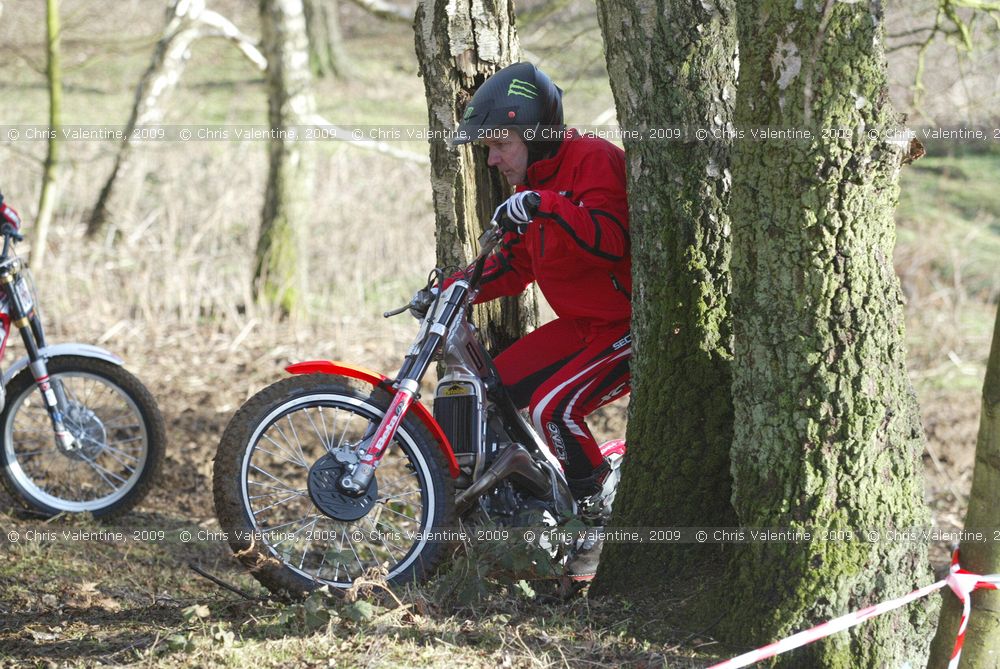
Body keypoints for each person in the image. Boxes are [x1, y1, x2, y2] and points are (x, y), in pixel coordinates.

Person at [453, 62, 631, 581]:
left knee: (554, 408)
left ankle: (599, 525)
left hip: (627, 325)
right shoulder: (529, 189)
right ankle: (540, 512)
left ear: (533, 134)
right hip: (581, 326)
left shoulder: (592, 160)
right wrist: (453, 289)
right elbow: (514, 265)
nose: (492, 159)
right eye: (487, 147)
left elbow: (611, 238)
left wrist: (545, 205)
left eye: (499, 144)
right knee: (493, 390)